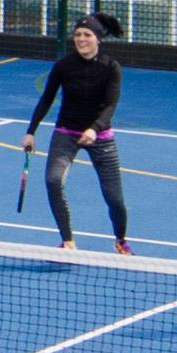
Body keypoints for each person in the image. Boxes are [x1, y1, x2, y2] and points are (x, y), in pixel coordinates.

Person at [27, 18, 133, 251]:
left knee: (114, 199)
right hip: (66, 133)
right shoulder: (64, 66)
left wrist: (94, 130)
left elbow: (110, 105)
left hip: (101, 137)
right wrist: (31, 132)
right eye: (78, 35)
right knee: (53, 181)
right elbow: (46, 99)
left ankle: (121, 240)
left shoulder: (110, 67)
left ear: (98, 39)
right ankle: (67, 241)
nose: (81, 39)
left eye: (87, 35)